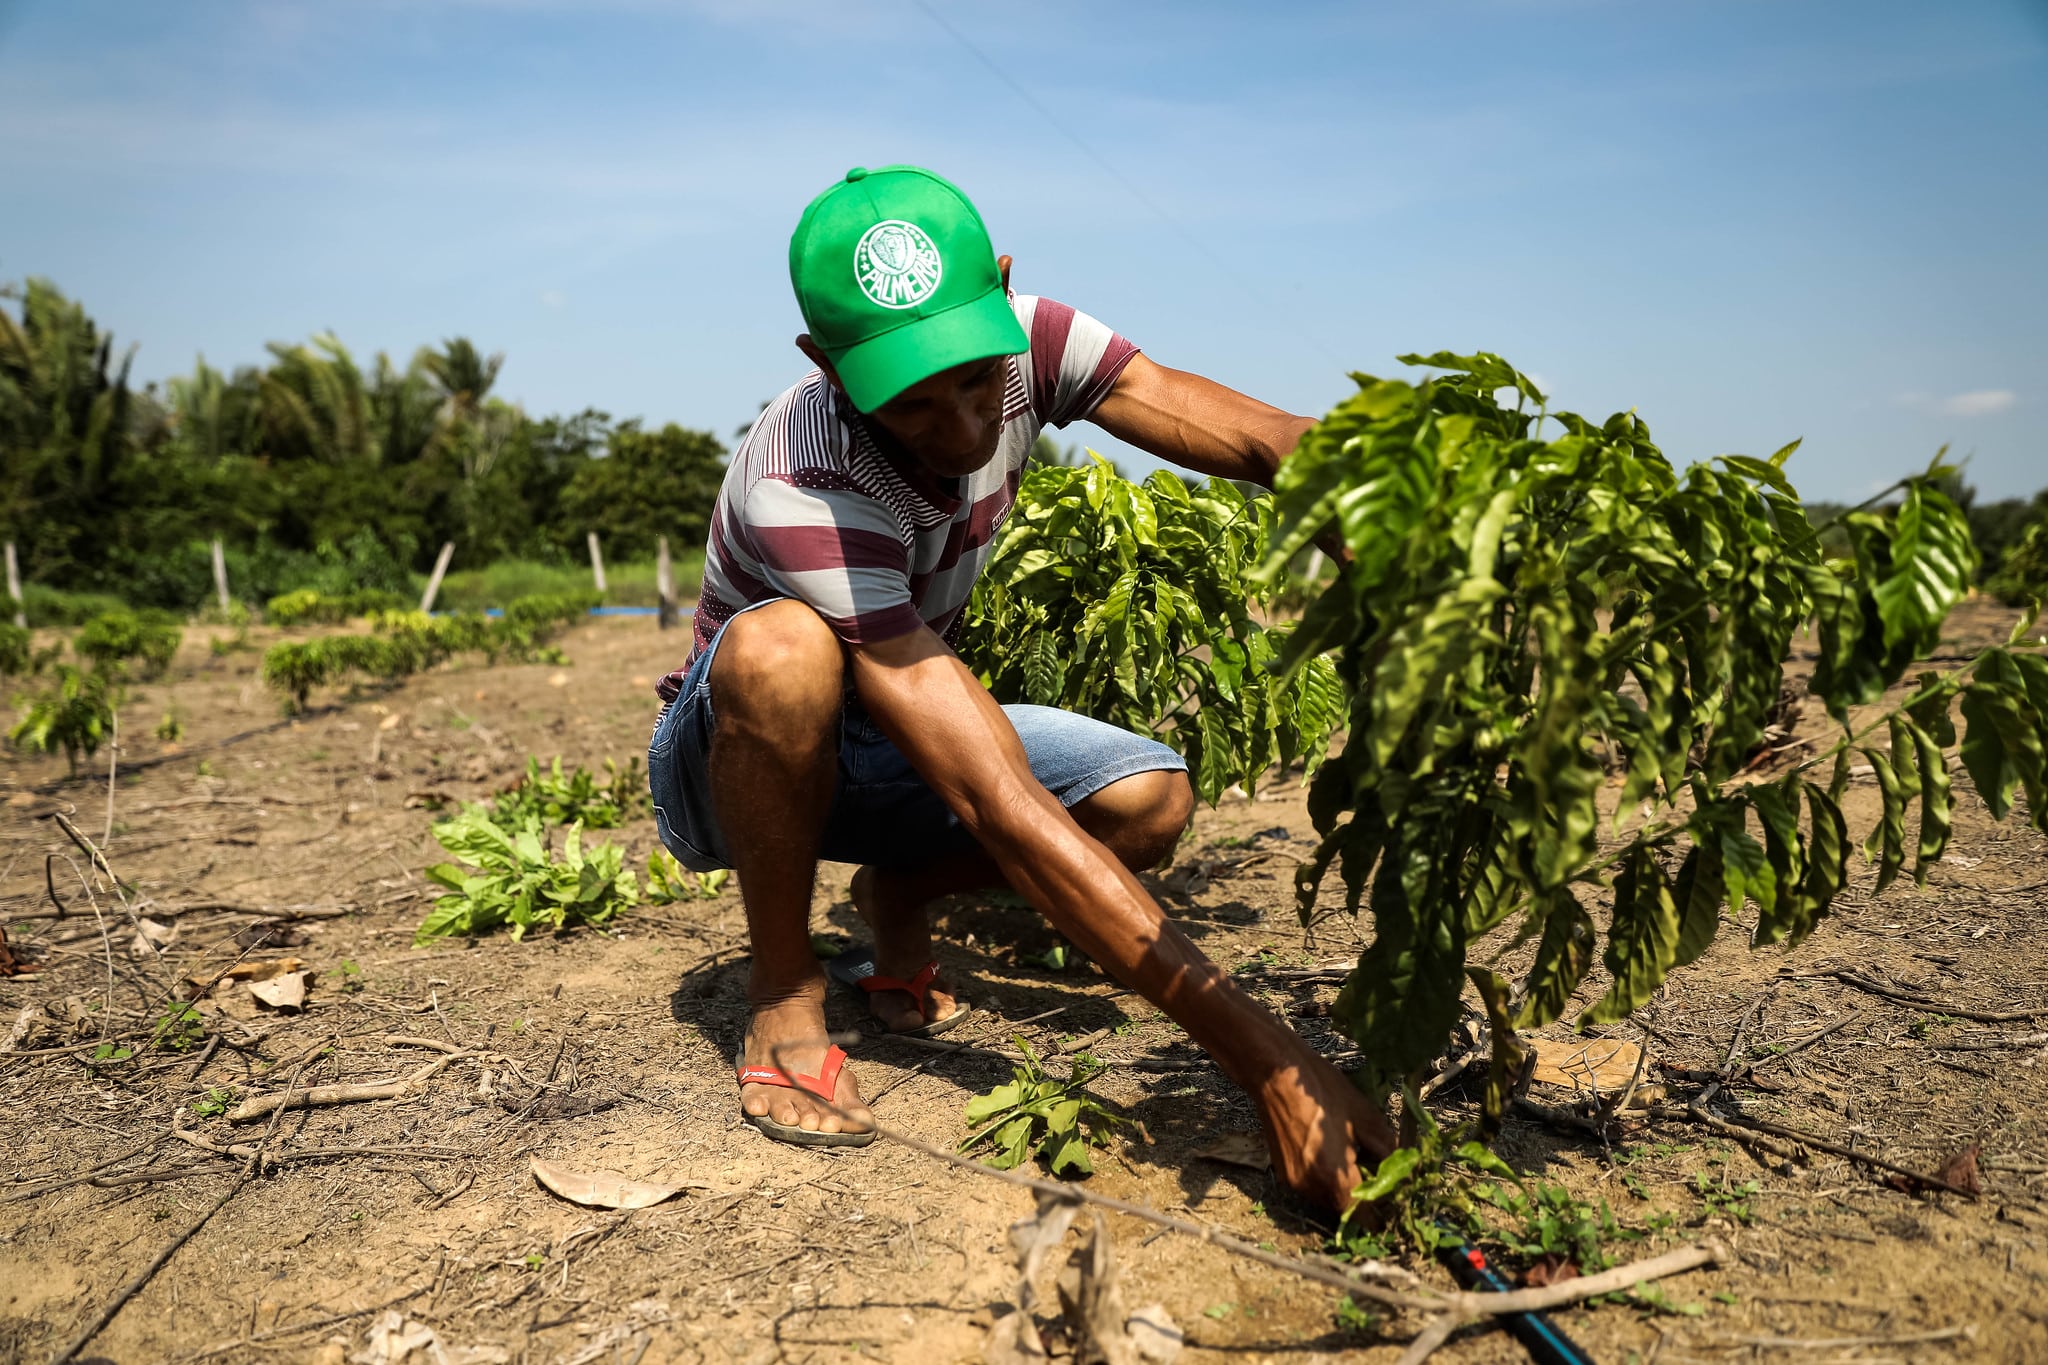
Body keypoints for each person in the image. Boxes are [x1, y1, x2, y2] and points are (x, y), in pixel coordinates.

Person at [647, 164, 1394, 1211]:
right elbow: (993, 797)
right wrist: (1268, 1064)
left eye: (973, 381)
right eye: (911, 402)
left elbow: (1231, 425)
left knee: (1144, 801)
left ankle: (893, 893)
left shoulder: (1030, 340)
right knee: (783, 653)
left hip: (881, 728)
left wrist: (1376, 492)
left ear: (1002, 287)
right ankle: (783, 985)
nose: (959, 431)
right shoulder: (802, 477)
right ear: (825, 365)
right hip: (735, 753)